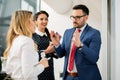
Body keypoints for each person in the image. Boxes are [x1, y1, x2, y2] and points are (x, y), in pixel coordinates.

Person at [50, 4, 102, 80]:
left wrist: (81, 45)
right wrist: (57, 44)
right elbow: (61, 54)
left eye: (78, 17)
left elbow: (94, 58)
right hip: (68, 77)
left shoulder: (94, 33)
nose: (74, 20)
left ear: (86, 17)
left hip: (86, 77)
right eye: (73, 17)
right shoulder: (68, 32)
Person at [3, 10, 49, 80]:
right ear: (25, 23)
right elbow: (28, 74)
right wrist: (42, 65)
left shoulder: (16, 39)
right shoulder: (27, 41)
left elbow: (9, 69)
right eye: (33, 21)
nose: (35, 24)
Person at [32, 10, 58, 80]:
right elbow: (31, 55)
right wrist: (47, 51)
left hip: (49, 70)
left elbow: (56, 55)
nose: (44, 21)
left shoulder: (50, 36)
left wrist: (57, 44)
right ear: (35, 21)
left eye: (46, 19)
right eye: (41, 19)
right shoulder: (32, 37)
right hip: (38, 71)